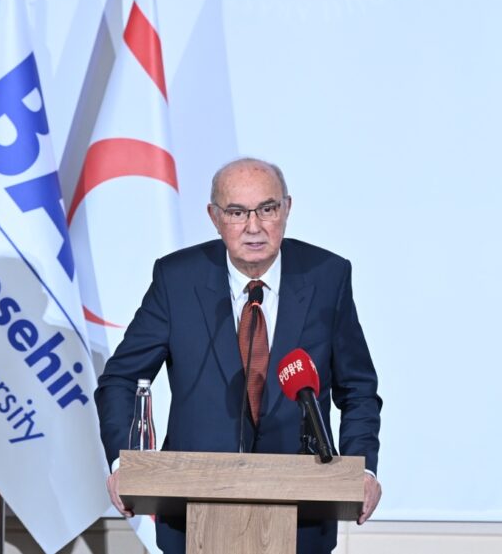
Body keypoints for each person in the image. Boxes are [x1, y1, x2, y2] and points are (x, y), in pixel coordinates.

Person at [94, 158, 382, 554]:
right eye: (236, 212)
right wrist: (124, 464)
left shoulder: (327, 276)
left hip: (303, 513)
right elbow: (121, 379)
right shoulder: (178, 279)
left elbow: (358, 388)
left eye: (267, 209)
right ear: (214, 217)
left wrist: (362, 469)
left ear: (287, 208)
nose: (254, 226)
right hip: (191, 511)